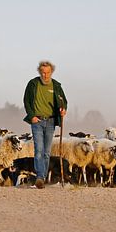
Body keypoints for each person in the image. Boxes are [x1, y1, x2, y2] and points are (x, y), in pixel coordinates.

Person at [23, 60, 67, 189]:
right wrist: (32, 116)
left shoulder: (56, 86)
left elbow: (63, 101)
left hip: (51, 121)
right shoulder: (33, 84)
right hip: (37, 121)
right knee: (39, 150)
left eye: (47, 72)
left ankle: (43, 176)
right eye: (43, 72)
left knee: (47, 152)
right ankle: (40, 177)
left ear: (51, 72)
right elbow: (26, 101)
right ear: (39, 72)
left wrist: (63, 109)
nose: (45, 75)